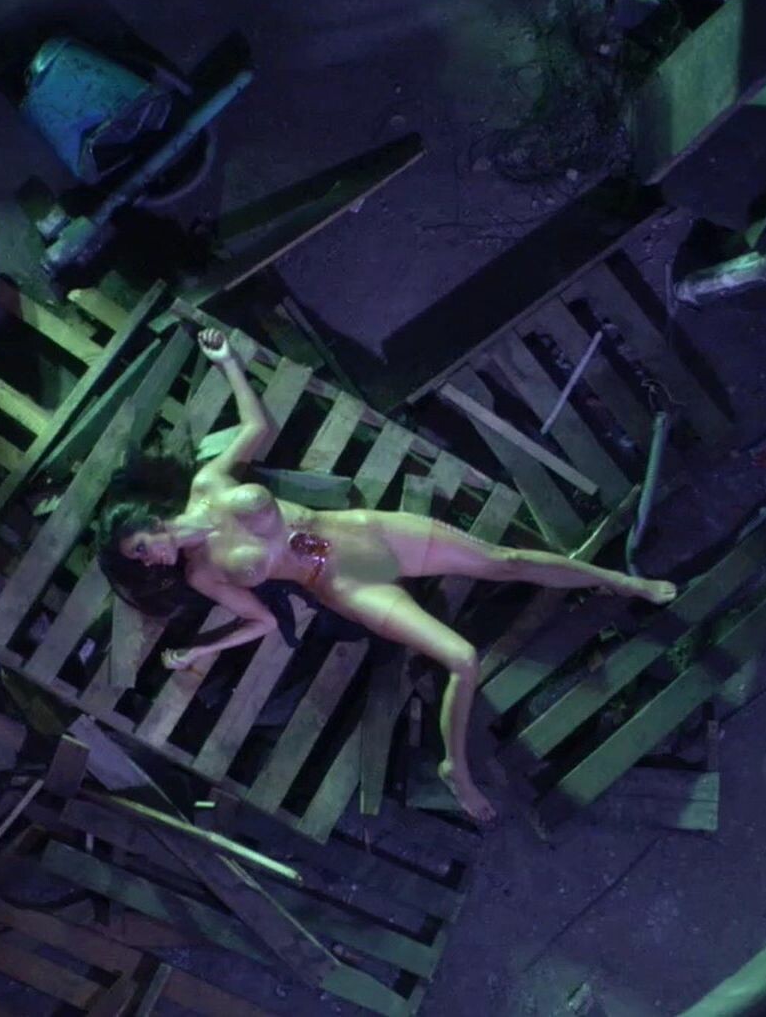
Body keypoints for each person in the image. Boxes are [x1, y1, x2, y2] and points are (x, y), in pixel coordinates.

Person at [94, 328, 679, 823]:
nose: (151, 560)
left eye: (142, 547)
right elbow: (262, 622)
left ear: (151, 522)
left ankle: (619, 581)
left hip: (364, 532)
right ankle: (455, 768)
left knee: (504, 561)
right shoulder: (202, 574)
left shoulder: (208, 484)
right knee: (462, 659)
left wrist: (229, 364)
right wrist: (203, 647)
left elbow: (258, 428)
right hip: (340, 583)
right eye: (142, 563)